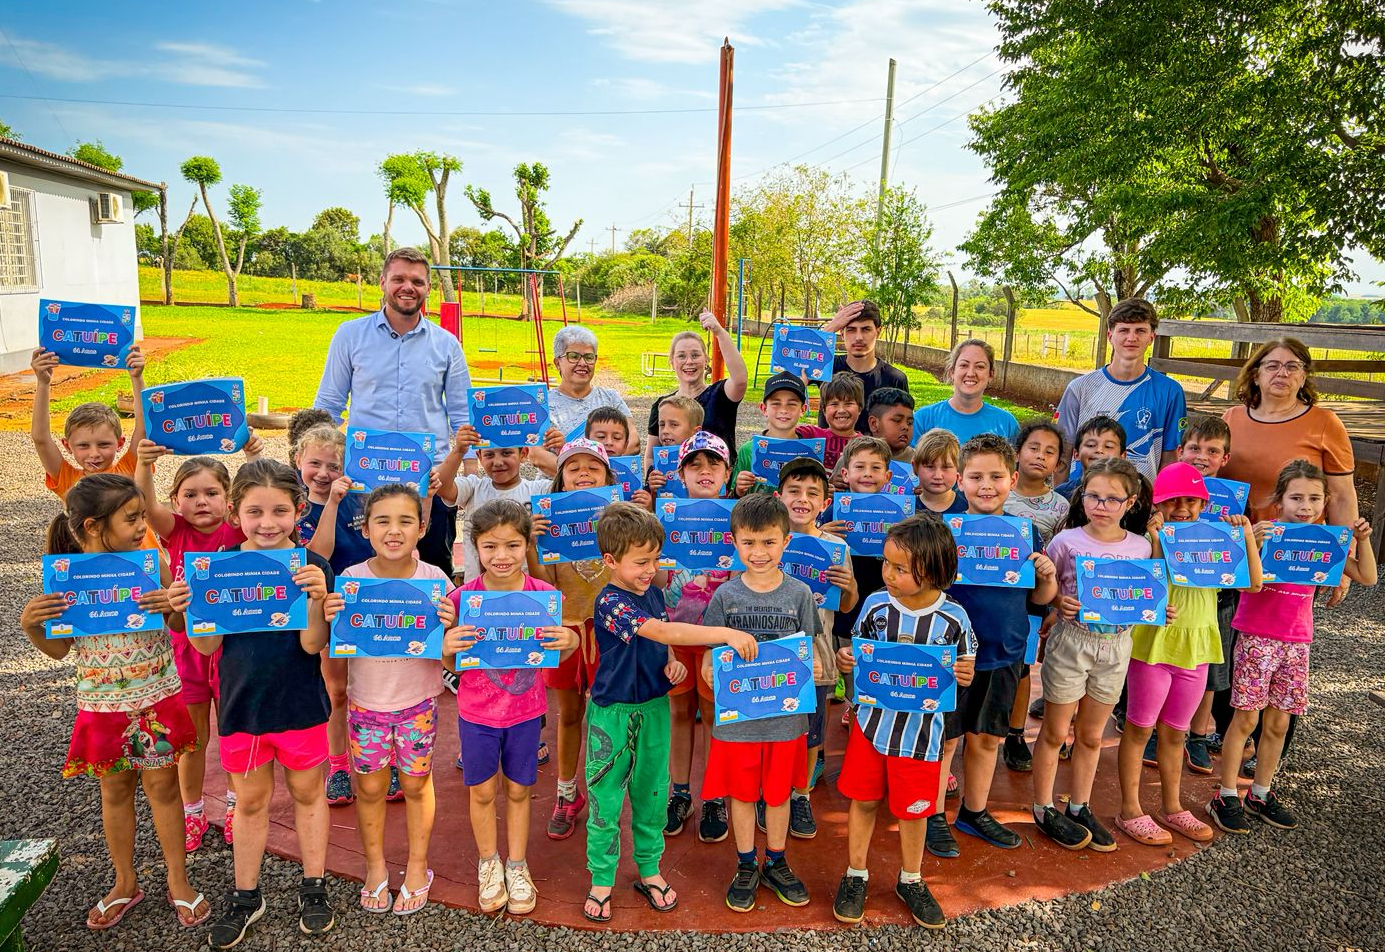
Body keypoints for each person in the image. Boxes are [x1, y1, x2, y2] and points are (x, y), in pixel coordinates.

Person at [21, 474, 208, 930]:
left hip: (157, 697)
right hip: (101, 705)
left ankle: (178, 880)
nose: (142, 524)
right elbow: (61, 649)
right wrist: (31, 626)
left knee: (163, 790)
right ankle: (125, 881)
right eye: (132, 518)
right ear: (91, 525)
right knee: (114, 791)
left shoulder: (152, 562)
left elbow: (181, 629)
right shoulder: (65, 577)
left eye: (142, 514)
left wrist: (174, 606)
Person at [180, 459, 339, 947]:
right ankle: (247, 894)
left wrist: (317, 598)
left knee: (309, 795)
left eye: (279, 511)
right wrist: (191, 609)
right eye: (255, 512)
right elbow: (206, 648)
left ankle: (313, 886)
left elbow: (313, 645)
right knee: (250, 803)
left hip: (300, 705)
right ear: (235, 513)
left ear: (297, 513)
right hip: (242, 708)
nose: (267, 523)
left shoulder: (313, 566)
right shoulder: (218, 567)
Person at [580, 502, 757, 923]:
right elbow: (658, 629)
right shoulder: (609, 601)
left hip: (656, 708)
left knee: (653, 795)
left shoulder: (655, 593)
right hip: (613, 714)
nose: (650, 569)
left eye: (655, 559)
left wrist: (673, 662)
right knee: (606, 800)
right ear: (610, 560)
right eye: (641, 562)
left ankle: (649, 869)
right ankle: (601, 879)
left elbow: (663, 642)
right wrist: (725, 634)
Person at [1209, 460, 1376, 835]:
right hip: (1255, 637)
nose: (1305, 505)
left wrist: (1362, 539)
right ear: (1279, 500)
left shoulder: (1327, 542)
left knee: (1279, 722)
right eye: (1296, 497)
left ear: (1325, 502)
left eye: (1314, 498)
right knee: (1246, 719)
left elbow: (1366, 576)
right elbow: (1235, 578)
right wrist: (1250, 539)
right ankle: (1225, 794)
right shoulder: (1265, 534)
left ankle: (1261, 793)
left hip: (1297, 641)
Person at [831, 515, 977, 929]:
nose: (888, 574)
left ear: (931, 570)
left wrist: (965, 672)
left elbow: (965, 663)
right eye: (886, 564)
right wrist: (847, 660)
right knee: (863, 800)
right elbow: (857, 653)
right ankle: (855, 872)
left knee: (915, 811)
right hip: (870, 728)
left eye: (899, 568)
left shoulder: (954, 619)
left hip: (921, 736)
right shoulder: (876, 605)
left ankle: (910, 878)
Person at [445, 500, 580, 915]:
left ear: (527, 546)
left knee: (520, 791)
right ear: (475, 547)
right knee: (482, 791)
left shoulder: (544, 596)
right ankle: (490, 862)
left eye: (512, 546)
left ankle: (517, 865)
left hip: (525, 712)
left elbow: (570, 640)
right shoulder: (461, 598)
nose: (501, 557)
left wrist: (569, 642)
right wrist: (447, 649)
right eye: (490, 547)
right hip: (476, 715)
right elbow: (451, 663)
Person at [1116, 463, 1261, 847]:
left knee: (1175, 732)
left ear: (1204, 503)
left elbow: (1254, 583)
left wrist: (1244, 534)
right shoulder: (1152, 538)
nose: (1182, 508)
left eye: (1192, 501)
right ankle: (1130, 808)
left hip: (1196, 650)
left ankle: (1172, 805)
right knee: (1139, 729)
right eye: (1172, 500)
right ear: (1157, 503)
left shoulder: (1218, 540)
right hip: (1154, 647)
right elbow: (1143, 583)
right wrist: (1155, 540)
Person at [330, 485, 458, 915]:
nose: (394, 531)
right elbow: (334, 650)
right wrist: (331, 618)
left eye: (406, 521)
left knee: (418, 786)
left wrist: (446, 629)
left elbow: (446, 653)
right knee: (369, 789)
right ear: (365, 528)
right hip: (366, 706)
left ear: (422, 528)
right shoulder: (349, 581)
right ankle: (375, 867)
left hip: (418, 705)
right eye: (382, 521)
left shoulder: (435, 580)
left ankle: (418, 866)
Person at [934, 435, 1058, 858]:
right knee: (946, 742)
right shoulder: (945, 533)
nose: (986, 485)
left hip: (1003, 653)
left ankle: (974, 810)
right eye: (975, 476)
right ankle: (932, 817)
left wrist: (1046, 575)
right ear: (959, 480)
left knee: (987, 738)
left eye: (996, 476)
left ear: (1013, 479)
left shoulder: (1026, 535)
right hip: (950, 657)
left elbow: (1038, 601)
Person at [313, 246, 471, 577]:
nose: (407, 287)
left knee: (434, 568)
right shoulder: (350, 335)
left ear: (428, 288)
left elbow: (461, 415)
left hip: (430, 478)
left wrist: (462, 473)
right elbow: (328, 405)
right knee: (358, 566)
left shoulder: (446, 344)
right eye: (399, 278)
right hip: (366, 477)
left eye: (417, 281)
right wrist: (313, 460)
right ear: (383, 281)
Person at [699, 494, 822, 912]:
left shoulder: (801, 594)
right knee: (742, 794)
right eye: (749, 543)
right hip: (738, 721)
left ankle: (777, 860)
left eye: (769, 542)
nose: (759, 552)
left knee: (779, 795)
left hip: (785, 719)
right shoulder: (725, 596)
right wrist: (706, 668)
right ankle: (747, 863)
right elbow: (710, 649)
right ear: (734, 542)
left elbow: (809, 649)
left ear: (786, 541)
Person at [1031, 458, 1157, 853]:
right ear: (1082, 497)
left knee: (1090, 734)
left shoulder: (1141, 546)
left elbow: (1143, 593)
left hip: (1117, 646)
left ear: (1131, 502)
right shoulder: (1066, 541)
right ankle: (1043, 805)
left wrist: (1158, 607)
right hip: (1073, 641)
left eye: (1112, 499)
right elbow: (1047, 589)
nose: (1102, 505)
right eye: (1093, 497)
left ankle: (1080, 805)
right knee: (1055, 732)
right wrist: (1059, 604)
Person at [133, 447, 252, 853]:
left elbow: (265, 504)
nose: (202, 501)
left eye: (212, 492)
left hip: (234, 650)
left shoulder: (239, 533)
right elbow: (145, 504)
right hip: (188, 650)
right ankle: (193, 810)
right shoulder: (177, 531)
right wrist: (145, 464)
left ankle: (237, 806)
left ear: (229, 501)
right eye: (191, 493)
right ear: (176, 501)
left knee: (233, 730)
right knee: (193, 738)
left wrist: (252, 457)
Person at [526, 438, 619, 839]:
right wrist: (532, 543)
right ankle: (567, 792)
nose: (583, 473)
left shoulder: (620, 520)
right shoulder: (549, 525)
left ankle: (603, 792)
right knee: (569, 715)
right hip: (565, 632)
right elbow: (545, 584)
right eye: (573, 467)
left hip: (610, 631)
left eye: (593, 467)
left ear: (608, 478)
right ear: (560, 478)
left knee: (608, 717)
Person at [292, 424, 376, 807]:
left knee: (374, 688)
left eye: (333, 465)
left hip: (371, 605)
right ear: (298, 461)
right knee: (337, 691)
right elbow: (318, 555)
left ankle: (377, 763)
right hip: (329, 608)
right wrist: (332, 505)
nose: (324, 473)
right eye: (315, 464)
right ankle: (339, 765)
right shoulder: (296, 509)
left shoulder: (362, 502)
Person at [776, 458, 858, 835]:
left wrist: (850, 587)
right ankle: (771, 792)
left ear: (826, 502)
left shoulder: (837, 548)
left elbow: (845, 606)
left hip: (818, 653)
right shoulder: (766, 539)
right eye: (794, 491)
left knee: (811, 730)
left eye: (812, 493)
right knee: (772, 728)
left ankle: (801, 795)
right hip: (770, 653)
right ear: (779, 497)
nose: (802, 499)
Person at [662, 431, 736, 842]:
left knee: (711, 718)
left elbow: (742, 580)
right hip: (674, 636)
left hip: (716, 641)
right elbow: (655, 581)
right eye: (695, 464)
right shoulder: (667, 518)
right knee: (678, 714)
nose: (704, 471)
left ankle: (713, 796)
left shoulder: (734, 519)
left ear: (728, 472)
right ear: (681, 473)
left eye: (713, 464)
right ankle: (680, 792)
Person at [1054, 298, 1185, 483]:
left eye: (1140, 330)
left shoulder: (1170, 392)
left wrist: (1158, 507)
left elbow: (1170, 456)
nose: (1131, 338)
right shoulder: (1079, 388)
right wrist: (1061, 499)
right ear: (1110, 336)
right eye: (1123, 330)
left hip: (1140, 500)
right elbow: (1064, 450)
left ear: (1151, 337)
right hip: (1083, 497)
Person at [1000, 420, 1069, 772]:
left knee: (1021, 669)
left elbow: (1059, 559)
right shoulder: (996, 490)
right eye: (1033, 447)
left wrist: (1054, 603)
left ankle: (1014, 734)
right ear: (1017, 452)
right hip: (985, 593)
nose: (1040, 456)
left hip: (1028, 600)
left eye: (1050, 452)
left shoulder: (1060, 507)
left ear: (1059, 463)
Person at [1175, 417, 1240, 772]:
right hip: (1174, 597)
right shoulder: (1166, 493)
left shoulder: (1234, 502)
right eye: (1194, 449)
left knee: (1211, 669)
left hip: (1217, 597)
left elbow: (1245, 560)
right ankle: (1161, 730)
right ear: (1180, 451)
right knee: (1166, 662)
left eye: (1212, 451)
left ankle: (1198, 735)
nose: (1202, 457)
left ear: (1225, 458)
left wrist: (1244, 531)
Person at [435, 424, 552, 583]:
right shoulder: (474, 488)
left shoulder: (541, 491)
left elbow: (573, 486)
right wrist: (459, 450)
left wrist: (560, 450)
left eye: (506, 453)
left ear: (523, 453)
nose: (497, 462)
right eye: (489, 455)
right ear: (479, 456)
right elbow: (440, 486)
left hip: (527, 593)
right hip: (479, 594)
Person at [31, 344, 147, 500]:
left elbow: (144, 428)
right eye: (83, 445)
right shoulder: (67, 480)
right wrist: (43, 383)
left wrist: (137, 378)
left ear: (119, 443)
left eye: (104, 444)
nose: (94, 454)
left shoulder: (130, 470)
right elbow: (41, 439)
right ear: (67, 446)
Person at [531, 325, 639, 474]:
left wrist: (599, 478)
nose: (582, 363)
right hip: (556, 491)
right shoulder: (541, 404)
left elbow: (633, 443)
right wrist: (581, 477)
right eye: (573, 356)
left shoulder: (611, 398)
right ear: (557, 363)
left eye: (588, 357)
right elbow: (537, 455)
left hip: (606, 489)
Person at [646, 310, 748, 454]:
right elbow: (651, 455)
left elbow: (740, 380)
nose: (689, 362)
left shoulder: (720, 395)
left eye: (695, 355)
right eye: (681, 356)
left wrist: (719, 332)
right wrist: (652, 474)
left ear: (706, 359)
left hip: (719, 475)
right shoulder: (662, 405)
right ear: (672, 362)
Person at [818, 300, 909, 433]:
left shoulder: (895, 379)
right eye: (851, 330)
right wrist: (831, 327)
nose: (858, 337)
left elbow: (902, 428)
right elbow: (790, 368)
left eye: (866, 329)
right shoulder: (825, 367)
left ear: (878, 331)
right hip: (828, 452)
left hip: (877, 452)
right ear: (841, 333)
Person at [911, 339, 1019, 446]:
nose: (971, 373)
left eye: (980, 366)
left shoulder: (1006, 424)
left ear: (990, 375)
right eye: (964, 365)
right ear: (952, 372)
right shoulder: (923, 419)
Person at [731, 372, 810, 498]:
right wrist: (739, 489)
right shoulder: (748, 451)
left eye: (792, 404)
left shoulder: (809, 453)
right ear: (763, 409)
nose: (783, 410)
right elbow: (733, 500)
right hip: (756, 516)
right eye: (776, 403)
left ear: (802, 410)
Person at [793, 372, 865, 471]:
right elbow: (782, 432)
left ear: (860, 409)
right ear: (824, 410)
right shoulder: (810, 435)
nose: (841, 410)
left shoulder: (866, 446)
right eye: (834, 404)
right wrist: (797, 390)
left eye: (848, 404)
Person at [1053, 415, 1127, 500]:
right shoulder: (1061, 494)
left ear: (1122, 456)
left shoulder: (1130, 493)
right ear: (1076, 454)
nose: (1099, 450)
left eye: (1108, 446)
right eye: (1091, 445)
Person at [912, 429, 966, 515]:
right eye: (930, 467)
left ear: (958, 469)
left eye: (946, 467)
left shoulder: (969, 506)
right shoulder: (906, 508)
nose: (938, 476)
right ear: (915, 467)